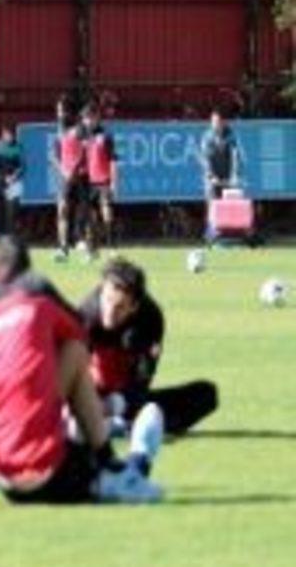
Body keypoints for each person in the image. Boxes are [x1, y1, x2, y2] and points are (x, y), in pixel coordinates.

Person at [0, 237, 166, 509]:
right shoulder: (37, 293)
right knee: (74, 350)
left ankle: (84, 436)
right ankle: (119, 462)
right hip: (52, 473)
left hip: (1, 476)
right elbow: (78, 332)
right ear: (26, 272)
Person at [79, 259, 218, 436]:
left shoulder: (150, 319)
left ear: (134, 307)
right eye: (106, 300)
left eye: (120, 307)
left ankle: (123, 424)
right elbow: (71, 376)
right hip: (91, 395)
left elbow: (142, 379)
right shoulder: (83, 317)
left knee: (206, 395)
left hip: (126, 399)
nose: (110, 313)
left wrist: (115, 404)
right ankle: (116, 424)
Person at [52, 95, 88, 262]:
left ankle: (83, 244)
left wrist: (73, 170)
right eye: (58, 111)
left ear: (69, 111)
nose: (59, 114)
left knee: (82, 212)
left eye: (61, 110)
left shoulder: (80, 129)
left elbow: (84, 152)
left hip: (80, 176)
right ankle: (63, 247)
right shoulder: (59, 131)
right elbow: (55, 155)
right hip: (64, 177)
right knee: (62, 210)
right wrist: (63, 170)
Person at [82, 102, 118, 255]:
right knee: (90, 216)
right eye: (84, 118)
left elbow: (113, 161)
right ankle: (92, 247)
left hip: (104, 180)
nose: (86, 121)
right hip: (88, 182)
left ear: (96, 118)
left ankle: (111, 246)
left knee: (107, 212)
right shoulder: (83, 136)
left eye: (89, 118)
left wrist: (114, 183)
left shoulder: (106, 136)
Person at [0, 124, 23, 238]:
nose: (11, 137)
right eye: (8, 134)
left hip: (14, 183)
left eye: (12, 135)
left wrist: (14, 176)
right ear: (3, 135)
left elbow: (22, 165)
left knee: (13, 209)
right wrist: (4, 178)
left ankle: (12, 234)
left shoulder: (18, 147)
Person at [201, 107, 241, 201]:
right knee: (213, 202)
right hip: (212, 180)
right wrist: (211, 176)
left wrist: (235, 175)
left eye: (217, 121)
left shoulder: (231, 135)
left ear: (223, 122)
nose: (215, 124)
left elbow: (235, 156)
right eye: (213, 122)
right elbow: (206, 159)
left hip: (228, 179)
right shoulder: (207, 138)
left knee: (230, 204)